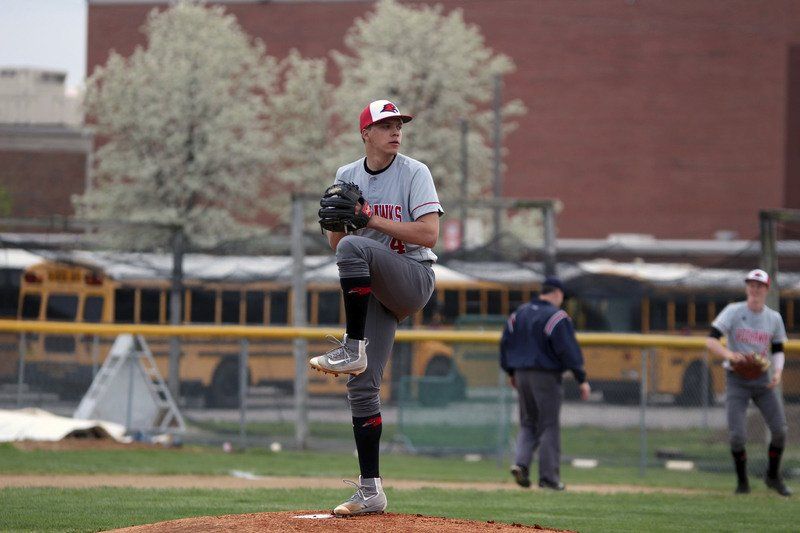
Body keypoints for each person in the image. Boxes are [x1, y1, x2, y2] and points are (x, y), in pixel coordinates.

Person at [309, 99, 443, 515]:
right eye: (386, 124)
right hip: (374, 289)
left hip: (412, 279)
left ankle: (353, 345)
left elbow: (430, 234)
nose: (396, 130)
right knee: (362, 388)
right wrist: (340, 220)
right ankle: (371, 491)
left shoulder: (414, 172)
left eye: (399, 123)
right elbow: (336, 245)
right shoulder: (347, 175)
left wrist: (368, 220)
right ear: (365, 133)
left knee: (354, 245)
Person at [706, 268, 792, 496]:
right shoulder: (734, 311)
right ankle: (742, 482)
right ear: (747, 288)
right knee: (737, 436)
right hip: (737, 378)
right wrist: (729, 355)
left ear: (766, 289)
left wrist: (778, 372)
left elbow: (777, 348)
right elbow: (711, 340)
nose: (754, 289)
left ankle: (772, 476)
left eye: (759, 285)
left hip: (763, 380)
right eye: (751, 285)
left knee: (780, 430)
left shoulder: (773, 317)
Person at [499, 276, 591, 491]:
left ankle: (521, 464)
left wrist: (511, 371)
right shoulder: (557, 316)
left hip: (520, 374)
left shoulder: (519, 313)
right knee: (548, 425)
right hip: (545, 375)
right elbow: (567, 350)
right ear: (557, 293)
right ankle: (549, 478)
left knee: (528, 422)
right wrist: (581, 377)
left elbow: (505, 344)